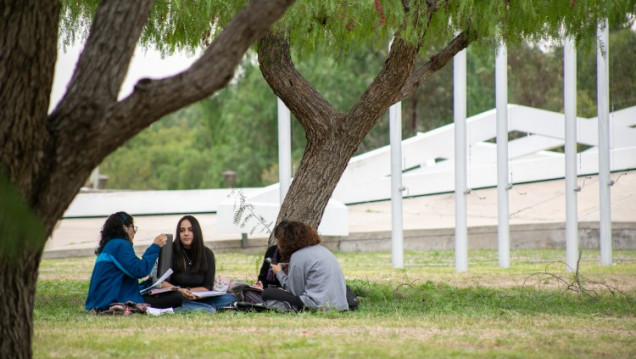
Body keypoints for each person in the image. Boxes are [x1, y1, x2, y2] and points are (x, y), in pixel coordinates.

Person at [85, 211, 182, 312]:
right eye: (132, 227)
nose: (134, 232)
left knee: (165, 295)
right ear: (124, 227)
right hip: (109, 301)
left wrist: (148, 284)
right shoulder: (120, 244)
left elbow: (127, 277)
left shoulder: (111, 245)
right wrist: (155, 246)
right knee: (176, 297)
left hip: (100, 300)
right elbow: (140, 270)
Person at [262, 220, 349, 311]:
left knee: (268, 293)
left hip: (316, 305)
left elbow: (295, 292)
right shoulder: (322, 250)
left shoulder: (298, 256)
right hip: (339, 305)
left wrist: (279, 272)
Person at [161, 215, 235, 312]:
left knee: (230, 298)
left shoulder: (207, 253)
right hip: (176, 295)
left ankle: (197, 307)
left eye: (190, 230)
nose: (186, 234)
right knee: (206, 309)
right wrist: (180, 291)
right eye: (182, 230)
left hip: (199, 296)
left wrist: (190, 293)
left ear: (196, 232)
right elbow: (161, 282)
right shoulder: (170, 252)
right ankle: (202, 308)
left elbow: (207, 286)